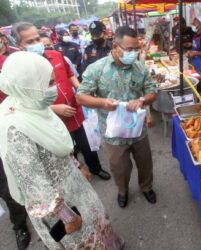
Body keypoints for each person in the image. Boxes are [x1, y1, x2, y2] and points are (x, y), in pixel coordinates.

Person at [0, 51, 124, 249]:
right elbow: (34, 185)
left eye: (53, 81)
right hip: (57, 205)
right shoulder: (15, 127)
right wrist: (67, 217)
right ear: (27, 84)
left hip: (75, 184)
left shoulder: (34, 105)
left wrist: (78, 165)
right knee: (82, 239)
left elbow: (57, 145)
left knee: (98, 225)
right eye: (48, 83)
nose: (54, 88)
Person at [12, 22, 111, 181]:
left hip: (74, 110)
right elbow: (22, 103)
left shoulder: (56, 55)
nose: (37, 44)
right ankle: (76, 175)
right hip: (51, 119)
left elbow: (71, 75)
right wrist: (53, 108)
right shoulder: (20, 71)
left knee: (86, 145)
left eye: (37, 39)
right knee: (65, 149)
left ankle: (96, 169)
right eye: (30, 42)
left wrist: (80, 90)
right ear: (19, 46)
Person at [76, 26, 157, 208]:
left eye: (136, 49)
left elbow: (153, 92)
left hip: (138, 130)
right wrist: (103, 102)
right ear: (115, 46)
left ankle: (146, 187)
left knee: (145, 163)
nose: (133, 53)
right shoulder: (96, 69)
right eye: (129, 49)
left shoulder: (140, 68)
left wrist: (142, 99)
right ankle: (123, 191)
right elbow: (81, 96)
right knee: (120, 169)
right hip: (113, 134)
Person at [0, 54, 31, 250]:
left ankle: (23, 223)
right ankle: (21, 223)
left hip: (8, 128)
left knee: (10, 184)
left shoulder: (5, 62)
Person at [187, 16, 201, 98]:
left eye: (195, 22)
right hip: (196, 62)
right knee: (197, 80)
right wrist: (190, 50)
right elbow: (195, 47)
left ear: (200, 24)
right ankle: (199, 95)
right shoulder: (196, 35)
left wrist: (195, 53)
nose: (193, 24)